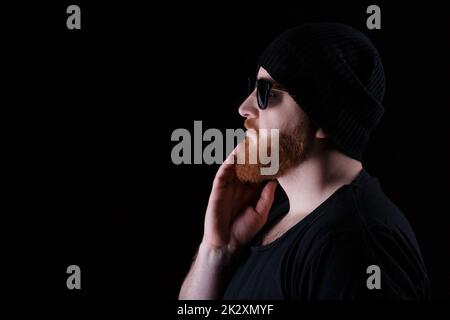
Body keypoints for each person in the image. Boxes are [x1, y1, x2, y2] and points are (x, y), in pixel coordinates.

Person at [179, 23, 430, 299]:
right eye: (253, 88)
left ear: (324, 115)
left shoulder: (353, 245)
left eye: (265, 92)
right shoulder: (269, 218)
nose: (244, 108)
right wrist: (216, 250)